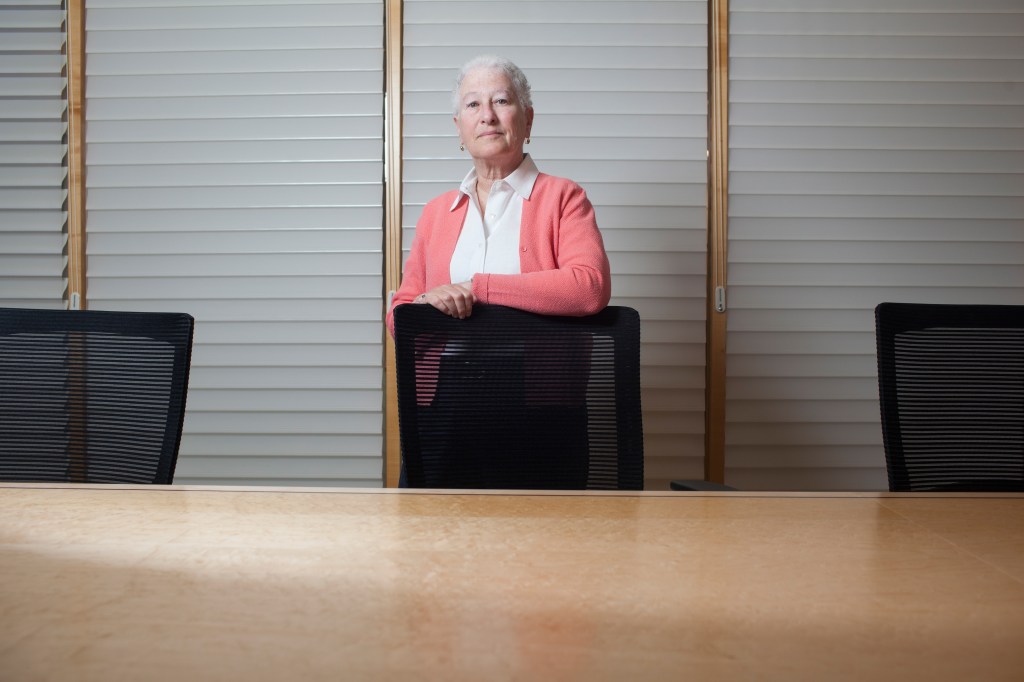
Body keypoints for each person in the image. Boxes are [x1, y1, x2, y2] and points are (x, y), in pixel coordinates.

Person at [386, 55, 611, 336]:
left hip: (534, 377)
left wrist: (479, 288)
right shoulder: (435, 213)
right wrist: (424, 302)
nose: (487, 116)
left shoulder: (564, 198)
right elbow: (400, 316)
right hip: (450, 377)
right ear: (459, 128)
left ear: (528, 120)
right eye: (473, 104)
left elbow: (590, 288)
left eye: (501, 101)